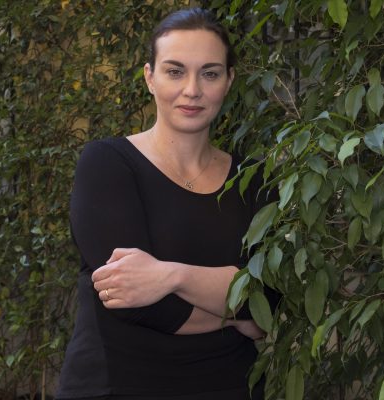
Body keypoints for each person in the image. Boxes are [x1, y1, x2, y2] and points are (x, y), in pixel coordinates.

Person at [56, 7, 277, 400]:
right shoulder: (108, 164)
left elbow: (269, 299)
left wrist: (171, 276)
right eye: (175, 71)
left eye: (210, 73)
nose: (192, 89)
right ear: (150, 78)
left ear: (229, 81)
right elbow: (132, 303)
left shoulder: (254, 180)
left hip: (230, 386)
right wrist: (235, 314)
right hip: (117, 386)